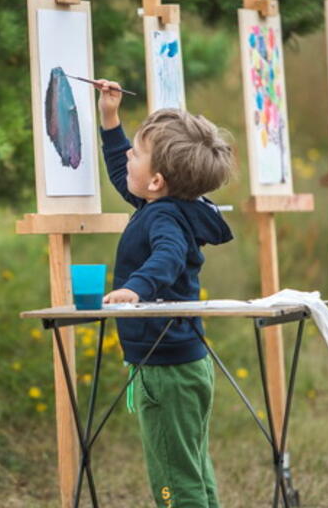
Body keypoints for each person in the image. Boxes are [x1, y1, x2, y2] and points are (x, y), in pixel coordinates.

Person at [96, 80, 235, 507]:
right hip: (183, 363)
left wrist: (134, 289)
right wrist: (110, 120)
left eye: (136, 153)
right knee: (191, 469)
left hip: (165, 369)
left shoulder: (164, 220)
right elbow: (123, 175)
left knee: (174, 479)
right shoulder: (167, 207)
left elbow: (168, 257)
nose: (127, 156)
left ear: (156, 180)